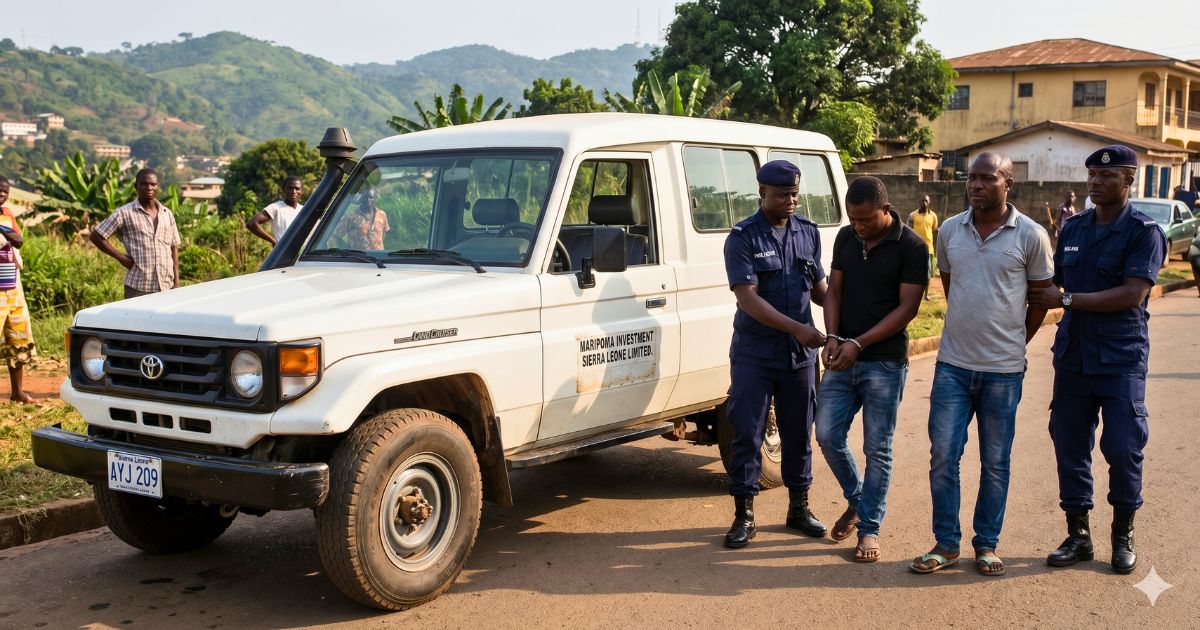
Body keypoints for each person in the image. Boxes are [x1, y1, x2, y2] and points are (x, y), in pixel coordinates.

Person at [910, 152, 1054, 576]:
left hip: (1003, 372)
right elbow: (952, 287)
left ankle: (987, 544)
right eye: (971, 178)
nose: (975, 185)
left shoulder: (1031, 235)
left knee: (995, 461)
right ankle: (946, 544)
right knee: (943, 455)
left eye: (986, 178)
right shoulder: (950, 230)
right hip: (952, 366)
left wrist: (1014, 343)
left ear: (1008, 184)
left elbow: (1041, 298)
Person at [1029, 145, 1167, 575]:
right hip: (1073, 357)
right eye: (1091, 175)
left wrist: (1066, 299)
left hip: (1121, 358)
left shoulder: (1144, 232)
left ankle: (1122, 534)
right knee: (1069, 445)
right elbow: (1051, 285)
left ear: (1128, 181)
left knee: (1124, 447)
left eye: (1107, 176)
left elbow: (1131, 294)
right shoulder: (1073, 228)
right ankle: (1079, 535)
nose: (1096, 182)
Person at [816, 176, 927, 562]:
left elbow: (907, 309)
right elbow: (835, 291)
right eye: (853, 219)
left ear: (886, 209)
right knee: (827, 435)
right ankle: (859, 500)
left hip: (884, 361)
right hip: (842, 355)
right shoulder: (847, 238)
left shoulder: (913, 246)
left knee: (877, 449)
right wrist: (832, 335)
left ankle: (870, 530)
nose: (859, 227)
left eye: (865, 220)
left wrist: (859, 342)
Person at [721, 159, 828, 548]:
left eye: (795, 194)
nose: (791, 201)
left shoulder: (808, 233)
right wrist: (798, 328)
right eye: (782, 194)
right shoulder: (743, 237)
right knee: (747, 433)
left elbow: (820, 289)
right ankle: (744, 516)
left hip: (798, 358)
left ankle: (798, 508)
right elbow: (747, 298)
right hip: (755, 353)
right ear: (762, 193)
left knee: (800, 432)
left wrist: (843, 322)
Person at [89, 169, 181, 299]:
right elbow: (96, 236)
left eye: (153, 184)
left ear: (157, 186)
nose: (149, 187)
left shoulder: (167, 213)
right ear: (136, 186)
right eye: (144, 184)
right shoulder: (125, 213)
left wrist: (176, 282)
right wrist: (122, 258)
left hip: (167, 286)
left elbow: (173, 247)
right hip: (139, 287)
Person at [0, 176, 37, 403]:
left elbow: (19, 240)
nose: (1, 194)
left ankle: (17, 392)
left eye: (4, 191)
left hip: (13, 283)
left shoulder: (7, 214)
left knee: (19, 337)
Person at [245, 176, 303, 247]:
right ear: (283, 190)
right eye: (290, 188)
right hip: (283, 252)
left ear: (301, 191)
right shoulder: (276, 207)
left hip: (303, 255)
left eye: (297, 189)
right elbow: (251, 224)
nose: (294, 191)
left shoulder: (304, 209)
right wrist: (274, 241)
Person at [907, 194, 938, 299]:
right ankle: (913, 294)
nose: (924, 203)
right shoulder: (912, 215)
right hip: (915, 248)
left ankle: (926, 295)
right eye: (922, 201)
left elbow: (934, 229)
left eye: (926, 201)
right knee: (914, 273)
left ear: (929, 202)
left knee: (928, 274)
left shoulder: (933, 216)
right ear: (919, 202)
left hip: (929, 249)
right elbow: (908, 231)